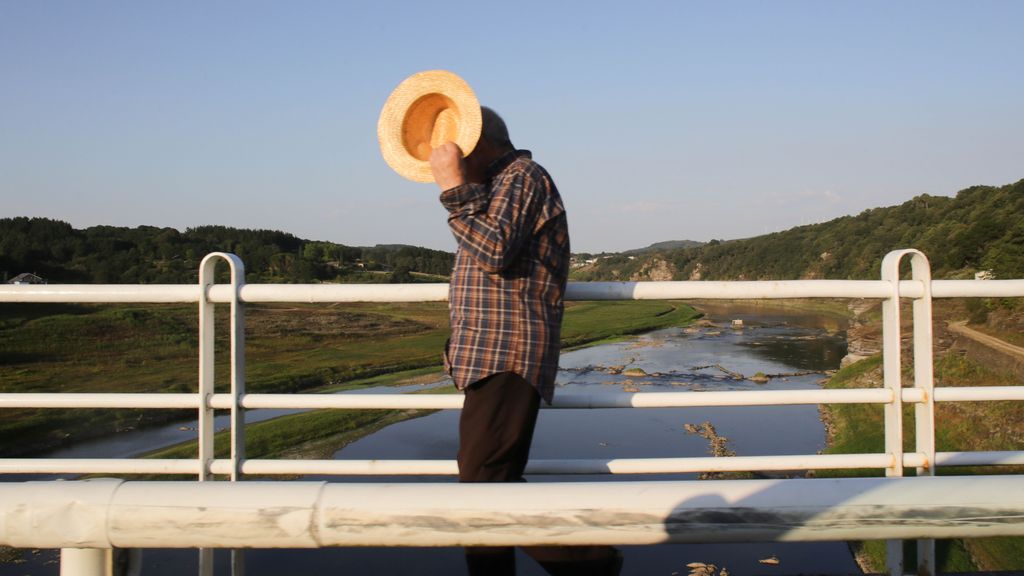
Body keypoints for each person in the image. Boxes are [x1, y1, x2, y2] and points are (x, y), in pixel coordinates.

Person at [430, 107, 622, 576]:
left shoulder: (523, 176)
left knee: (481, 485)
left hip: (507, 351)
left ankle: (591, 562)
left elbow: (493, 251)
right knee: (491, 480)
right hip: (489, 352)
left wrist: (452, 189)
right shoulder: (493, 188)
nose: (443, 158)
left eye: (453, 150)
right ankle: (586, 561)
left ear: (476, 146)